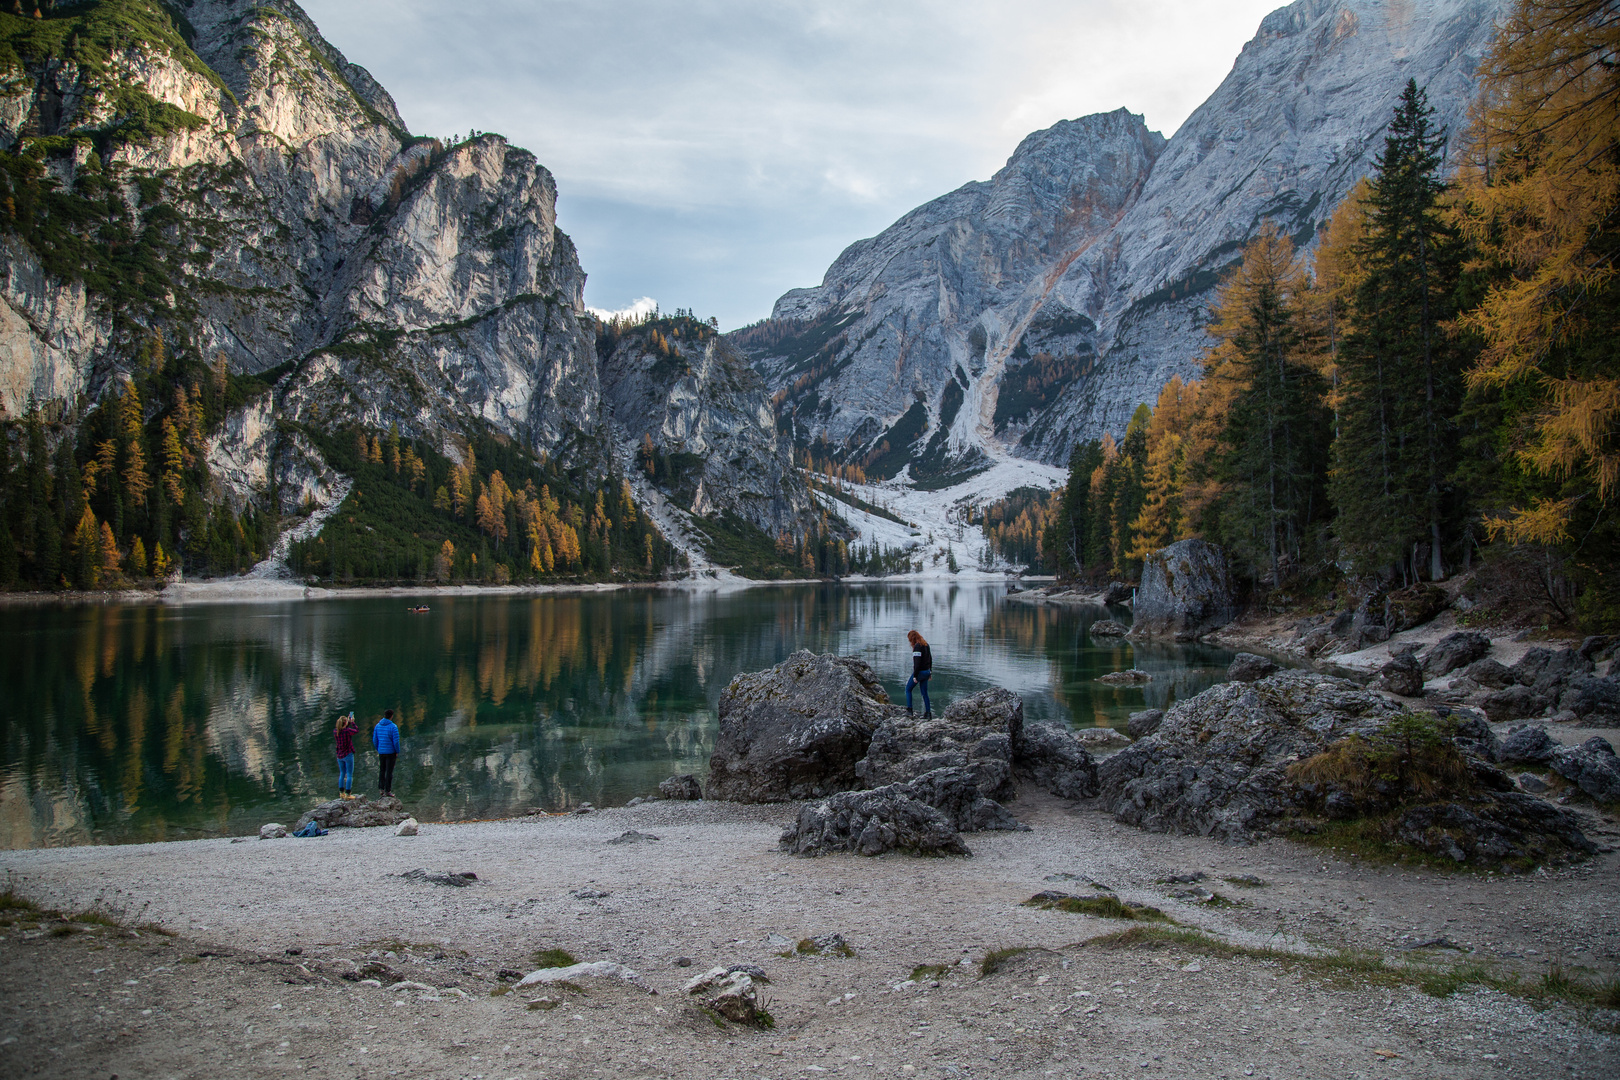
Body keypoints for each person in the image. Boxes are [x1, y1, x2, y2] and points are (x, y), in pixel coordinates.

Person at [372, 709, 400, 797]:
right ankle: (388, 790)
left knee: (382, 770)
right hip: (391, 752)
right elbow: (396, 742)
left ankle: (381, 789)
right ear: (391, 716)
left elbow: (374, 740)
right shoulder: (393, 727)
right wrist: (397, 751)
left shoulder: (377, 726)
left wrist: (379, 749)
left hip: (381, 751)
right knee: (389, 771)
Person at [905, 629, 933, 718]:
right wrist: (930, 672)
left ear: (912, 639)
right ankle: (928, 713)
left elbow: (917, 663)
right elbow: (930, 659)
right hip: (927, 671)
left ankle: (909, 710)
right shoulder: (926, 645)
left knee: (908, 689)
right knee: (924, 693)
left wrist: (915, 676)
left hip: (920, 672)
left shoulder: (917, 647)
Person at [334, 712, 358, 800]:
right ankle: (348, 794)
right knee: (349, 775)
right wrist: (352, 722)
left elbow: (343, 730)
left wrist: (346, 723)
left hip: (339, 755)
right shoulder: (347, 731)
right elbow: (356, 730)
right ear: (346, 723)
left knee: (342, 773)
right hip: (348, 754)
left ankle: (341, 793)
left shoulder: (335, 731)